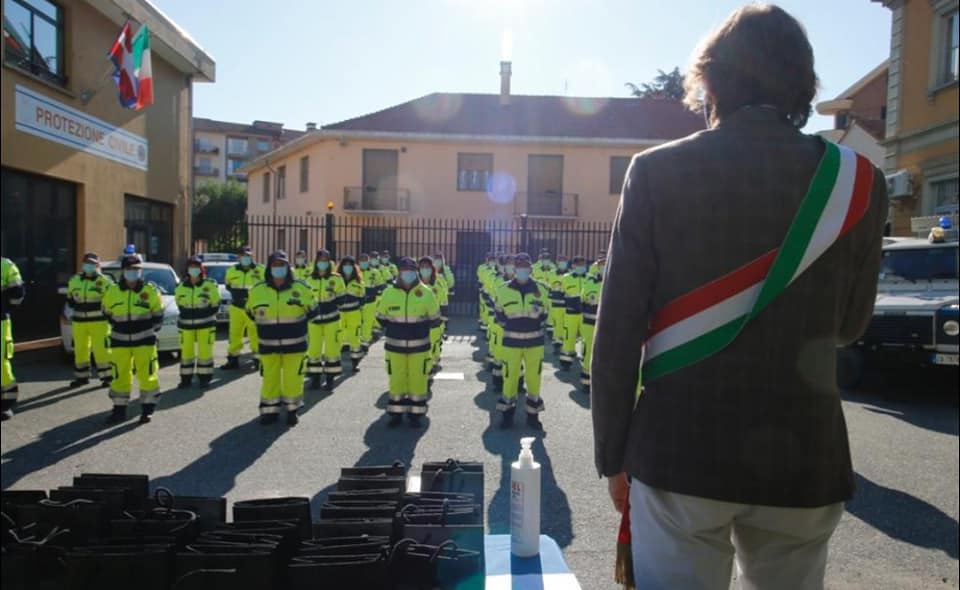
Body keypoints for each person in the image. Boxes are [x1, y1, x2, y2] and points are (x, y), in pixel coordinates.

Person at [591, 6, 888, 589]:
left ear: (711, 80)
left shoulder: (654, 172)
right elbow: (850, 325)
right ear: (802, 85)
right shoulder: (857, 180)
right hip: (805, 457)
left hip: (679, 453)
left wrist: (613, 455)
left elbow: (618, 332)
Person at [247, 250, 318, 425]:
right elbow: (250, 313)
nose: (279, 268)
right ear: (269, 267)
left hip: (295, 344)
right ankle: (269, 411)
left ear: (288, 267)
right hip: (268, 345)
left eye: (282, 265)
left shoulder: (301, 288)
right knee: (270, 378)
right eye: (275, 265)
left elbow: (314, 311)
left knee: (293, 378)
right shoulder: (257, 290)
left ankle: (292, 410)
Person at [377, 257, 439, 427]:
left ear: (416, 271)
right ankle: (396, 413)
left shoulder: (426, 293)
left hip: (419, 346)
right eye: (404, 270)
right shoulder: (388, 293)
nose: (408, 273)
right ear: (399, 272)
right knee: (396, 378)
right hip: (395, 346)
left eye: (411, 270)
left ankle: (416, 414)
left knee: (418, 379)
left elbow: (435, 319)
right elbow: (380, 318)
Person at [102, 254, 164, 425]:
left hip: (144, 341)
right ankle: (119, 410)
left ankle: (147, 410)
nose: (133, 272)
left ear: (141, 271)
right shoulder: (112, 291)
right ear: (122, 271)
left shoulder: (150, 291)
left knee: (148, 375)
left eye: (136, 269)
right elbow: (106, 313)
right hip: (119, 341)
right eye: (129, 269)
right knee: (120, 376)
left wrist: (149, 331)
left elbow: (158, 315)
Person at [493, 253, 550, 429]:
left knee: (534, 380)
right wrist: (514, 329)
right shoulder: (503, 290)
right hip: (511, 344)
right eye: (519, 267)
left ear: (531, 269)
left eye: (526, 266)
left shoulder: (542, 290)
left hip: (535, 344)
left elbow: (546, 315)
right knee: (509, 379)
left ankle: (533, 417)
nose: (522, 270)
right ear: (515, 269)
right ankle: (507, 416)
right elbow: (499, 315)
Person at [66, 253, 115, 389]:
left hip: (99, 322)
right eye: (87, 263)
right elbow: (70, 298)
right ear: (82, 264)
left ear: (98, 265)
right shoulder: (74, 280)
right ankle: (82, 377)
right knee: (80, 350)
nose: (89, 266)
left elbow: (111, 301)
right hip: (79, 322)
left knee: (102, 350)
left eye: (93, 263)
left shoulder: (105, 282)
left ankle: (107, 377)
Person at [175, 256, 220, 389]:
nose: (193, 269)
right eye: (191, 267)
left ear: (201, 269)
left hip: (206, 325)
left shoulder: (210, 285)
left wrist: (204, 314)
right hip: (186, 326)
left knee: (205, 353)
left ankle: (204, 379)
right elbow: (179, 304)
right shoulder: (181, 287)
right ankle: (185, 379)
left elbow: (215, 304)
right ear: (187, 269)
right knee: (186, 354)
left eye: (196, 267)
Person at [305, 249, 345, 391]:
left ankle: (329, 379)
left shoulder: (336, 278)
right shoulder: (309, 279)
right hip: (314, 322)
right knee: (314, 350)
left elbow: (342, 299)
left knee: (332, 350)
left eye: (325, 260)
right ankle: (315, 379)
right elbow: (305, 301)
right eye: (320, 260)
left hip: (332, 320)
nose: (323, 263)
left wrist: (332, 300)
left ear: (329, 262)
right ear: (316, 262)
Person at [223, 245, 264, 370]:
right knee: (234, 334)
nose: (246, 258)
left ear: (252, 256)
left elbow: (265, 287)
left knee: (255, 334)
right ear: (239, 257)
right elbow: (228, 285)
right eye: (243, 255)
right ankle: (233, 359)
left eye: (248, 255)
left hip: (254, 308)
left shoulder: (260, 270)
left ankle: (258, 359)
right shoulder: (231, 271)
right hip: (236, 307)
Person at [0, 256, 24, 420]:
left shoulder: (5, 265)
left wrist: (3, 308)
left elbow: (18, 293)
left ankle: (6, 404)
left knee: (1, 362)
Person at [579, 254, 604, 394]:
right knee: (589, 351)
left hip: (607, 326)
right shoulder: (588, 284)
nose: (603, 268)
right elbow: (582, 302)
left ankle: (602, 382)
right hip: (589, 324)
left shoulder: (615, 284)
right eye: (601, 265)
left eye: (606, 265)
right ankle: (586, 382)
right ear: (597, 268)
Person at [418, 256, 448, 374]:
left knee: (432, 347)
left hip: (434, 324)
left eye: (427, 267)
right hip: (418, 324)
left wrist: (443, 323)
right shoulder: (415, 286)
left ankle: (430, 369)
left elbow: (444, 303)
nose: (425, 269)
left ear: (432, 269)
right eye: (422, 267)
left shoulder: (437, 285)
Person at [337, 255, 365, 372]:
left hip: (354, 313)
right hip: (339, 313)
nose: (347, 267)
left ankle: (355, 362)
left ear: (354, 267)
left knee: (354, 337)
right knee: (338, 337)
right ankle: (335, 363)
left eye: (350, 265)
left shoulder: (359, 282)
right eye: (345, 265)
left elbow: (362, 299)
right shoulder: (337, 280)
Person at [559, 255, 587, 370]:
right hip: (570, 313)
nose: (581, 267)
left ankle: (585, 360)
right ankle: (566, 362)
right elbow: (560, 295)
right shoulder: (566, 278)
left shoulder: (590, 279)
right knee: (568, 337)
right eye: (578, 265)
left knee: (586, 338)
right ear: (573, 266)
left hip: (585, 314)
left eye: (583, 265)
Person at [358, 253, 380, 353]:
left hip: (371, 301)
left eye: (365, 260)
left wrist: (375, 291)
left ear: (368, 261)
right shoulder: (356, 272)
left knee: (368, 322)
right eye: (361, 260)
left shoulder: (375, 272)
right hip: (358, 301)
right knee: (358, 322)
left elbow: (381, 285)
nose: (363, 262)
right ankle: (356, 341)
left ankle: (365, 341)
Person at [546, 254, 568, 352]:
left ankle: (566, 345)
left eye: (564, 261)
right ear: (557, 262)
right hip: (555, 304)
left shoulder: (569, 275)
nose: (562, 263)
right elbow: (548, 287)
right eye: (561, 261)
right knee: (557, 325)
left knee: (565, 326)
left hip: (567, 305)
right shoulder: (551, 274)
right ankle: (557, 344)